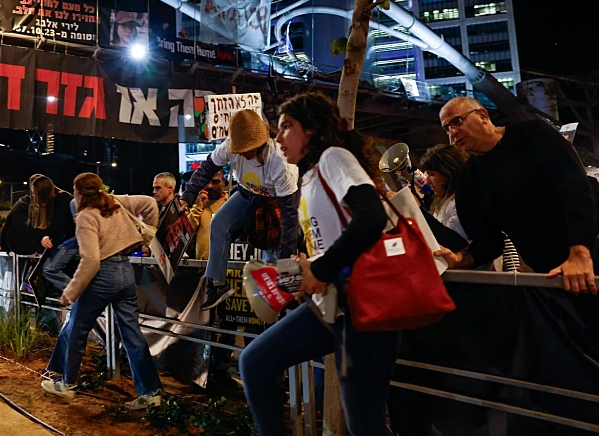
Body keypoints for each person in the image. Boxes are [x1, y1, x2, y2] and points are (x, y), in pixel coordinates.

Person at [240, 92, 399, 435]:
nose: (277, 136)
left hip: (364, 307)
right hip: (333, 305)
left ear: (310, 129)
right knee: (254, 362)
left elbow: (371, 217)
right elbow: (335, 235)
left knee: (365, 424)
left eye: (287, 126)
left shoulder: (334, 158)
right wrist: (308, 268)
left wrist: (322, 271)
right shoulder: (310, 176)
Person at [435, 97, 598, 294]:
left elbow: (576, 191)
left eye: (456, 122)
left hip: (591, 249)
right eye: (446, 129)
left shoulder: (534, 135)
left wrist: (580, 253)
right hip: (549, 274)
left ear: (482, 115)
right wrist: (460, 259)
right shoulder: (468, 179)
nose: (452, 133)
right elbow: (489, 244)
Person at [43, 173, 162, 411]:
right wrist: (148, 235)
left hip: (102, 276)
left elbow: (91, 261)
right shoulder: (116, 202)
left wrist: (71, 291)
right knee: (132, 334)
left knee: (77, 329)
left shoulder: (86, 216)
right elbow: (150, 203)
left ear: (79, 193)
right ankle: (150, 392)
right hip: (125, 272)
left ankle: (67, 384)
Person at [179, 109, 300, 311]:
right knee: (218, 224)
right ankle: (217, 285)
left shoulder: (278, 161)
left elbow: (289, 214)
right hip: (246, 193)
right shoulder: (229, 146)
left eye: (247, 149)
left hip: (275, 201)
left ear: (260, 143)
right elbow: (206, 169)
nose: (242, 153)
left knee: (276, 252)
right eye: (239, 148)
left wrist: (288, 256)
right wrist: (187, 196)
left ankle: (286, 300)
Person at [0, 175, 75, 255]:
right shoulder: (52, 201)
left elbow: (57, 222)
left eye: (35, 193)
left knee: (49, 267)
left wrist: (47, 237)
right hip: (58, 243)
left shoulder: (61, 199)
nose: (34, 196)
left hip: (66, 243)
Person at [419, 144, 469, 242]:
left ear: (448, 174)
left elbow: (454, 242)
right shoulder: (443, 201)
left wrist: (418, 209)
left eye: (432, 174)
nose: (428, 181)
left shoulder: (460, 203)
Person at [186, 170, 228, 261]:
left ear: (223, 181)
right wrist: (197, 208)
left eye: (215, 182)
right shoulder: (197, 204)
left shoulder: (230, 204)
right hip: (201, 263)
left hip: (226, 261)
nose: (210, 186)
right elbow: (187, 231)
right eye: (206, 182)